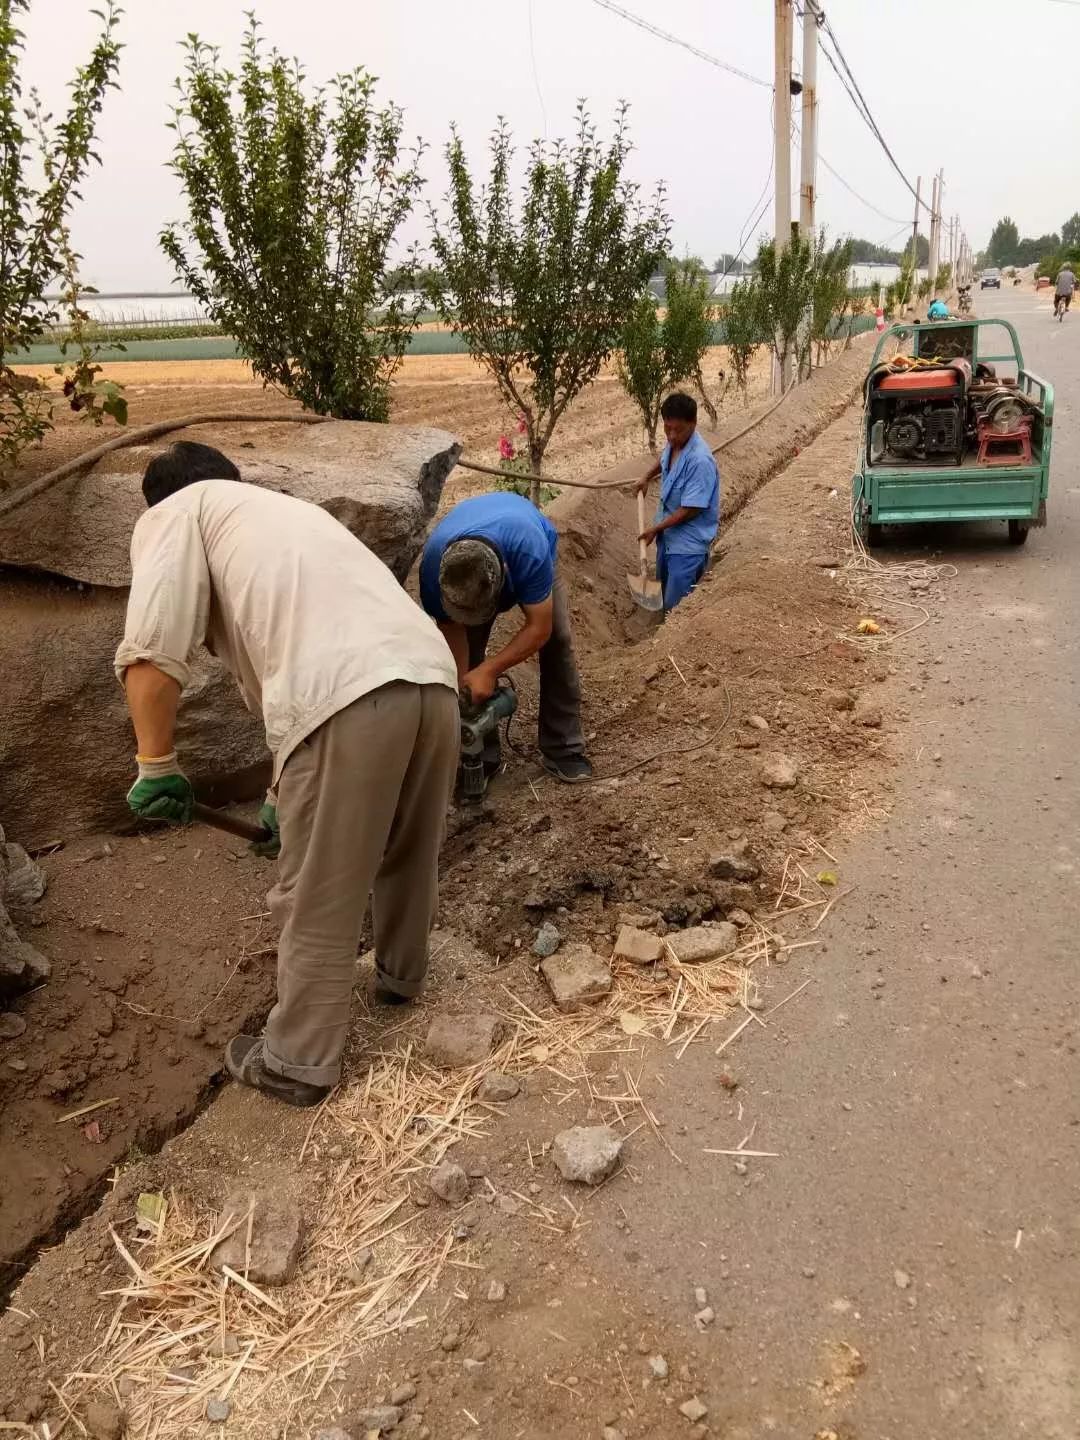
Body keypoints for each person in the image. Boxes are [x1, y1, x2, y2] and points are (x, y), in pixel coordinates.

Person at [115, 441, 459, 1108]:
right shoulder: (283, 517)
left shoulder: (175, 513)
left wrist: (155, 764)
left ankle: (298, 1063)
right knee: (409, 852)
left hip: (349, 695)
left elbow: (152, 648)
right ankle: (401, 977)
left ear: (159, 499)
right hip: (431, 675)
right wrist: (280, 796)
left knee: (315, 893)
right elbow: (290, 680)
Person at [418, 491, 592, 784]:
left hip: (526, 539)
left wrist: (490, 670)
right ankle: (483, 755)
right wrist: (467, 689)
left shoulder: (528, 551)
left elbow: (539, 627)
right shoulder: (435, 573)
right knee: (469, 664)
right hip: (479, 544)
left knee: (558, 641)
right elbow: (451, 630)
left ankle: (563, 747)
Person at [636, 392, 720, 612]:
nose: (671, 436)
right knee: (664, 593)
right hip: (669, 537)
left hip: (687, 548)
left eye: (678, 430)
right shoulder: (674, 443)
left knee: (677, 610)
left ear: (693, 423)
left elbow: (690, 510)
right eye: (667, 428)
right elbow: (664, 459)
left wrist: (655, 528)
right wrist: (645, 476)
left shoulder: (700, 461)